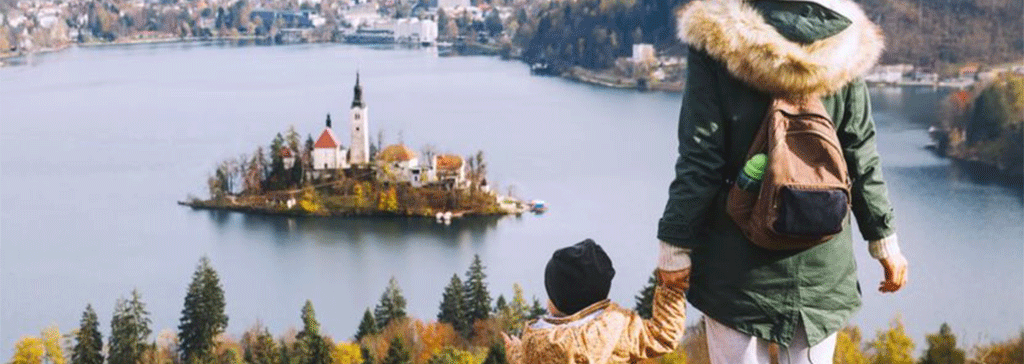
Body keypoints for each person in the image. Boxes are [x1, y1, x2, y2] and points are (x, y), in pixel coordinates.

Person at [657, 0, 910, 363]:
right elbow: (859, 153)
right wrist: (885, 241)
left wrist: (675, 247)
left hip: (736, 263)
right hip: (820, 259)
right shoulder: (846, 41)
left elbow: (701, 159)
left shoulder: (716, 40)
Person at [503, 239, 689, 364]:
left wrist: (516, 352)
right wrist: (671, 286)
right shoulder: (619, 329)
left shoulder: (537, 343)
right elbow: (665, 336)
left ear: (556, 302)